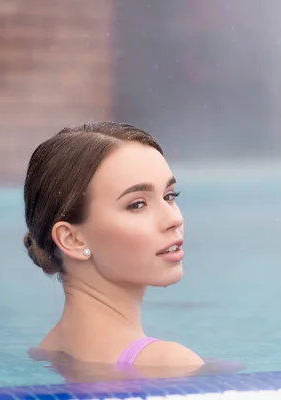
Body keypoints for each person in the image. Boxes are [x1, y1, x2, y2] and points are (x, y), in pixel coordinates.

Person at [23, 122, 205, 373]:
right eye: (137, 204)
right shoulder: (170, 364)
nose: (174, 219)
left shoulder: (47, 352)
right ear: (72, 239)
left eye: (169, 196)